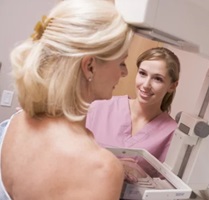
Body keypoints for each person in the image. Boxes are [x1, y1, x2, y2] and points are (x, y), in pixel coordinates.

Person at [0, 0, 133, 199]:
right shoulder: (101, 169)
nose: (125, 72)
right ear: (90, 66)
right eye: (121, 62)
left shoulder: (16, 123)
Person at [86, 47, 180, 178]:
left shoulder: (172, 133)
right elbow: (71, 155)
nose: (146, 85)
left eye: (157, 79)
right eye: (142, 73)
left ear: (172, 86)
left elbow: (163, 186)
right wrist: (115, 165)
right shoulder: (100, 107)